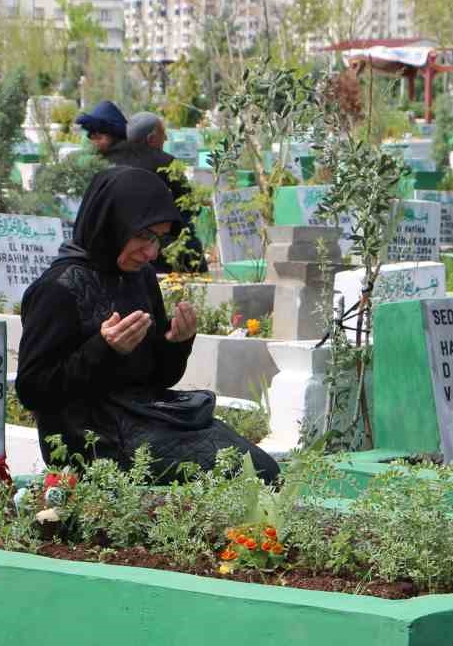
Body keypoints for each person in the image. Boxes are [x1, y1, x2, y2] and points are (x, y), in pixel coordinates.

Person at [16, 166, 278, 481]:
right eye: (142, 235)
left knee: (259, 467)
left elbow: (159, 379)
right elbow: (33, 390)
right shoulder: (57, 289)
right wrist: (102, 349)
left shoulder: (137, 277)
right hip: (91, 438)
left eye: (159, 239)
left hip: (141, 418)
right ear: (110, 224)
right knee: (247, 473)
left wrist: (175, 343)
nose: (152, 251)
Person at [105, 111, 208, 274]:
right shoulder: (166, 162)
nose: (166, 139)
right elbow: (188, 203)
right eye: (163, 134)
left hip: (114, 244)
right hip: (158, 248)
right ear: (151, 138)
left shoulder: (108, 160)